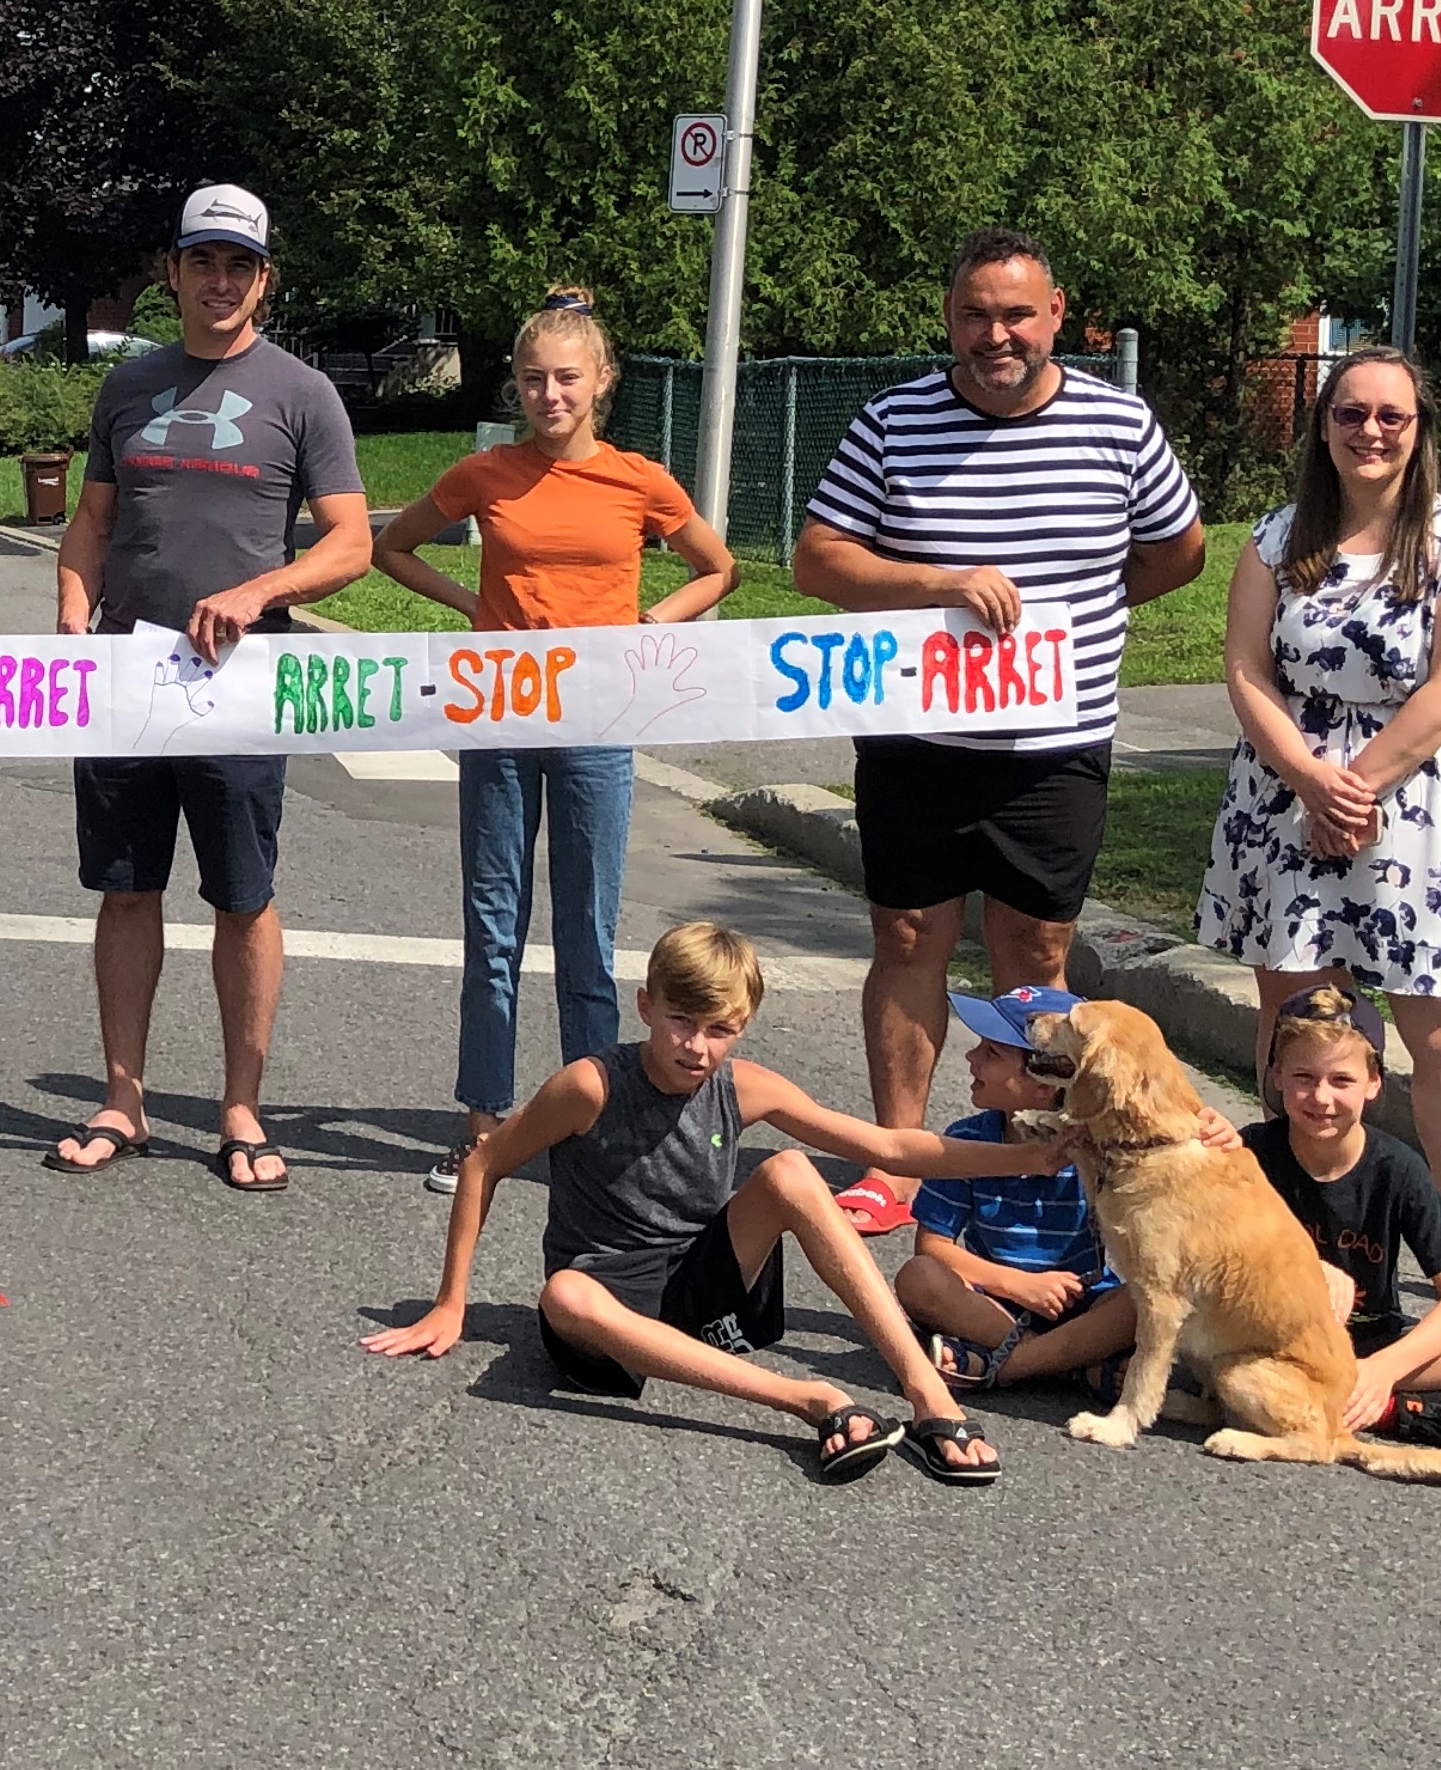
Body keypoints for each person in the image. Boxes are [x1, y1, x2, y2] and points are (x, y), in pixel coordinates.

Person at [793, 227, 1205, 1229]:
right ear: (950, 318)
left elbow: (1177, 551)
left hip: (1054, 744)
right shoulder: (893, 421)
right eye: (975, 314)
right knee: (906, 935)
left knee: (1036, 950)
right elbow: (819, 559)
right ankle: (897, 1158)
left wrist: (1080, 622)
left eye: (1017, 313)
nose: (997, 334)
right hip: (916, 737)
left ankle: (1037, 1153)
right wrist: (938, 584)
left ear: (1057, 315)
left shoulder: (1119, 424)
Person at [364, 922, 1048, 1484]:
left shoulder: (742, 1085)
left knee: (790, 1169)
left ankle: (928, 1393)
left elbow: (894, 1147)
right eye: (680, 1021)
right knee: (564, 1293)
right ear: (645, 1007)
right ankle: (812, 1402)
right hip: (607, 1304)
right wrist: (451, 1300)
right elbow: (484, 1164)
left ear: (743, 1024)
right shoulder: (590, 1086)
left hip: (702, 1285)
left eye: (719, 1028)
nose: (696, 1047)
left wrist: (1036, 1157)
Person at [46, 184, 371, 1192]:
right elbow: (92, 524)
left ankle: (240, 1107)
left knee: (243, 894)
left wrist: (260, 589)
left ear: (262, 280)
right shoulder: (129, 388)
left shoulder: (302, 394)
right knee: (127, 887)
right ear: (174, 272)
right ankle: (123, 1097)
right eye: (203, 263)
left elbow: (352, 543)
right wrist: (69, 610)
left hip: (241, 685)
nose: (219, 282)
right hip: (127, 677)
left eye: (239, 265)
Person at [375, 295, 738, 1192]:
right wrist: (473, 611)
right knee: (492, 926)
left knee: (587, 926)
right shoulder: (486, 472)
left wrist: (650, 623)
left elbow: (716, 566)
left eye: (567, 378)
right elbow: (395, 547)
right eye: (534, 379)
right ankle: (486, 1123)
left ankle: (587, 1116)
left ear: (601, 382)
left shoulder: (638, 480)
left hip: (597, 724)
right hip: (499, 719)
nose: (549, 395)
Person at [1197, 347, 1441, 1317]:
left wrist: (1357, 786)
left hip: (1421, 812)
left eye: (1390, 415)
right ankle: (1297, 1231)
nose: (1369, 431)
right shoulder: (1275, 539)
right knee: (1301, 1024)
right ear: (1324, 426)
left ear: (1419, 428)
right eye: (1350, 413)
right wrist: (1311, 780)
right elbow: (1247, 669)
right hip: (1286, 801)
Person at [1244, 989, 1441, 1455]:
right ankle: (1387, 1413)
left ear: (1374, 1082)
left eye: (1341, 1080)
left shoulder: (1397, 1168)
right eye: (1303, 1077)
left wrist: (1384, 1370)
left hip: (1367, 1343)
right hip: (1276, 1339)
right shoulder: (1251, 1152)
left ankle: (1348, 1395)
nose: (1321, 1097)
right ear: (1275, 1074)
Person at [893, 987, 1142, 1394]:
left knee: (1146, 1299)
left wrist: (1210, 1126)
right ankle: (1069, 1368)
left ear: (1045, 1083)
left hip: (1084, 1302)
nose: (971, 1058)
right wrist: (1014, 1284)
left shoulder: (1099, 1144)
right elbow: (933, 1247)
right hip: (993, 1303)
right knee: (918, 1278)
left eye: (991, 1053)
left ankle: (1003, 1365)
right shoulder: (966, 1140)